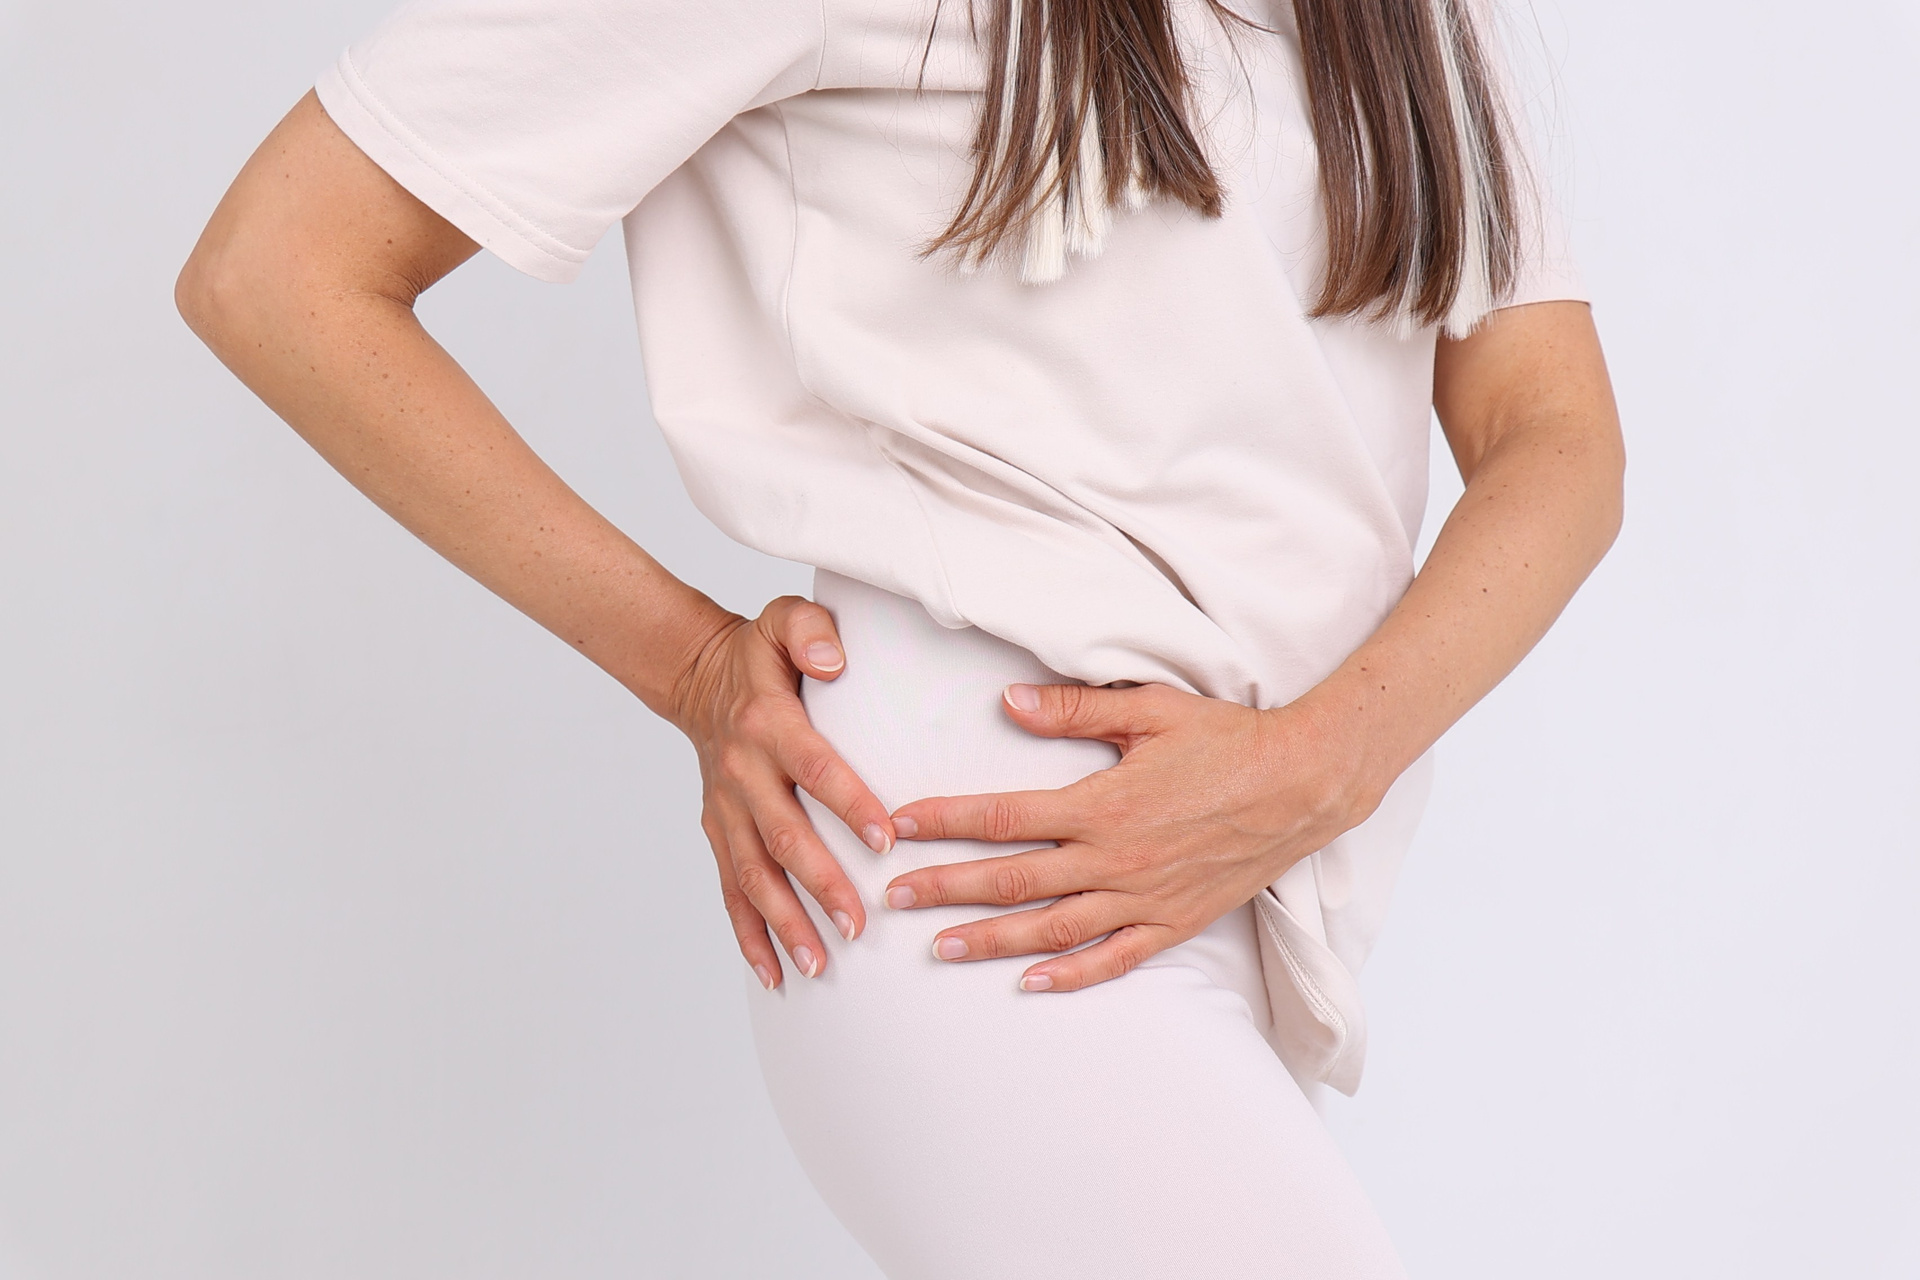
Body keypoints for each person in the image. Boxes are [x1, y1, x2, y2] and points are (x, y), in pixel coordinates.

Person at [176, 0, 1623, 1273]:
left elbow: (1553, 431)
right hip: (976, 860)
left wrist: (1321, 765)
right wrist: (686, 661)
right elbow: (280, 266)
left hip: (1243, 871)